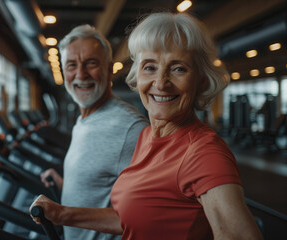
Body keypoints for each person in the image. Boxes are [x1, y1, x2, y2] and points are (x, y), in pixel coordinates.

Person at [31, 12, 263, 240]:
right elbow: (132, 218)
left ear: (201, 80)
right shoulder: (146, 137)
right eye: (150, 67)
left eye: (178, 68)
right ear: (137, 75)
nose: (161, 83)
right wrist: (63, 214)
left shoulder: (203, 152)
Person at [39, 24, 149, 240]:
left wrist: (63, 214)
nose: (80, 74)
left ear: (109, 69)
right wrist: (63, 184)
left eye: (91, 63)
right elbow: (104, 188)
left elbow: (147, 216)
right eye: (71, 65)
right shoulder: (84, 119)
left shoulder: (131, 129)